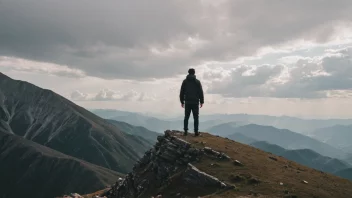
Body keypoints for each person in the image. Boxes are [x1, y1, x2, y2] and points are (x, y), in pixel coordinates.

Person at [179, 68, 204, 136]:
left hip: (187, 102)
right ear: (194, 73)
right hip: (195, 102)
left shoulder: (185, 81)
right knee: (196, 117)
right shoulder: (197, 82)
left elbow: (182, 92)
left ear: (188, 73)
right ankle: (196, 132)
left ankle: (185, 131)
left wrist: (182, 101)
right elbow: (200, 92)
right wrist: (201, 101)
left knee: (186, 117)